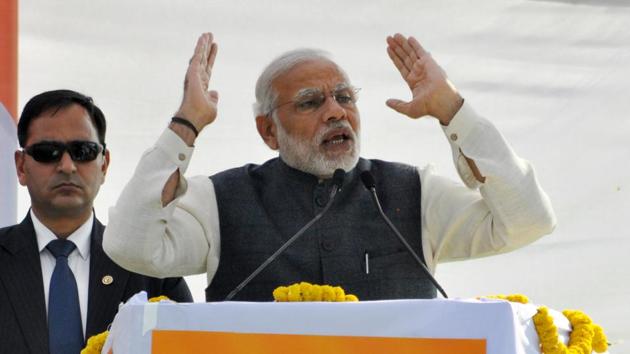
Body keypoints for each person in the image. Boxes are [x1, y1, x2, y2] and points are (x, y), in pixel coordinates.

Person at [104, 32, 556, 302]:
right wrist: (185, 126)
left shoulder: (413, 192)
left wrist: (455, 113)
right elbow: (130, 247)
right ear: (268, 131)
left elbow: (529, 222)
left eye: (344, 97)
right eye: (311, 102)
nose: (336, 112)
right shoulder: (220, 201)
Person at [0, 90, 192, 354]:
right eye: (48, 152)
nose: (67, 166)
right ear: (21, 166)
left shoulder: (150, 267)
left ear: (104, 164)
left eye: (83, 151)